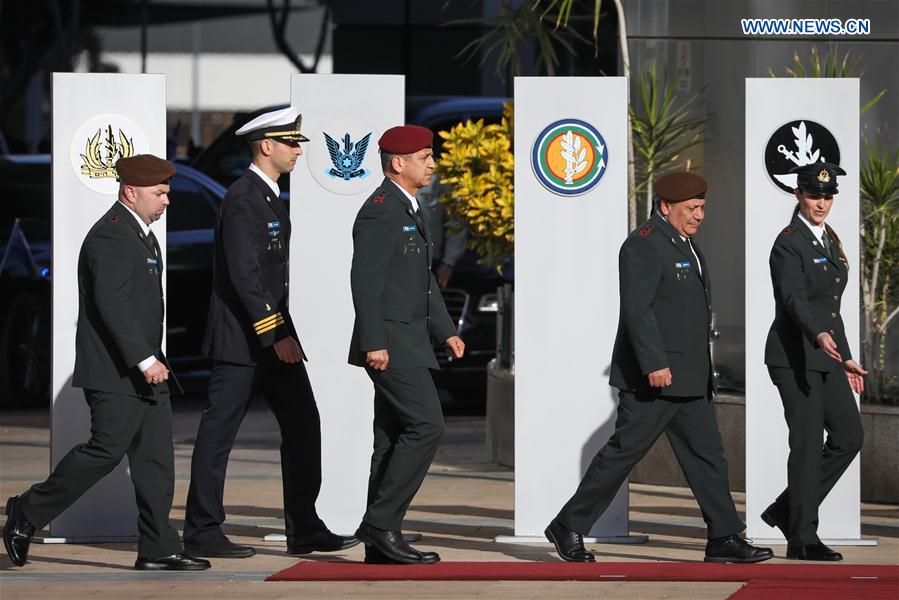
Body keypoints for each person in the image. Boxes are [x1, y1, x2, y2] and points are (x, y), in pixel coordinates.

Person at [545, 172, 773, 564]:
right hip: (657, 378)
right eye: (691, 208)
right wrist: (654, 363)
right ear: (665, 206)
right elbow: (637, 310)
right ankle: (567, 525)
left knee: (708, 458)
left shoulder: (686, 244)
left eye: (702, 207)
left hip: (690, 378)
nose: (700, 215)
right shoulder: (644, 245)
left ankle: (723, 538)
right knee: (622, 454)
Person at [2, 155, 209, 571]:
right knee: (105, 451)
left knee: (155, 463)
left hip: (147, 372)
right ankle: (26, 512)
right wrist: (145, 358)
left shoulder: (142, 234)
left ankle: (158, 547)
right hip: (118, 372)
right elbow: (112, 305)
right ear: (131, 192)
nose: (167, 200)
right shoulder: (111, 236)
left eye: (167, 192)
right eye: (160, 193)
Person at [183, 106, 357, 559]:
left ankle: (304, 527)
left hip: (273, 336)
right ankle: (202, 530)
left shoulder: (267, 196)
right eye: (291, 143)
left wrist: (284, 332)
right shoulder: (243, 197)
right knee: (218, 435)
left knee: (304, 425)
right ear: (266, 146)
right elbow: (245, 276)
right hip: (244, 341)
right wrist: (274, 332)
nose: (299, 151)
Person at [348, 125, 466, 564]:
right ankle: (380, 524)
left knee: (392, 435)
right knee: (427, 426)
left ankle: (382, 540)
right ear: (398, 163)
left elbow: (422, 282)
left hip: (410, 338)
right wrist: (373, 342)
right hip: (391, 343)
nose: (432, 163)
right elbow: (365, 282)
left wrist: (447, 331)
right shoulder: (381, 210)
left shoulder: (407, 207)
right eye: (424, 156)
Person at [761, 162, 865, 561]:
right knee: (806, 446)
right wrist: (817, 334)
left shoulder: (829, 238)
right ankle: (802, 538)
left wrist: (847, 357)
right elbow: (794, 299)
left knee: (849, 437)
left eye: (827, 196)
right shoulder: (788, 242)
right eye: (813, 195)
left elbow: (832, 309)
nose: (821, 202)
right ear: (798, 195)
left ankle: (788, 510)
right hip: (794, 357)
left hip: (827, 356)